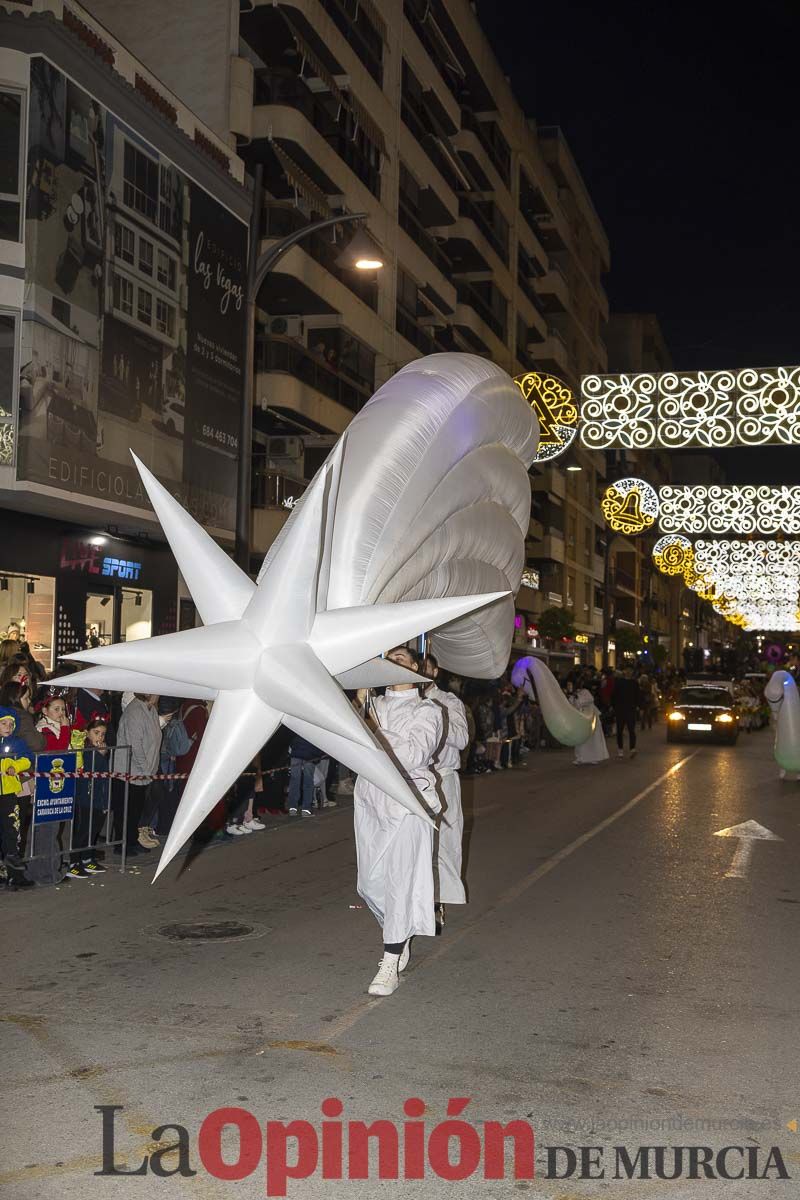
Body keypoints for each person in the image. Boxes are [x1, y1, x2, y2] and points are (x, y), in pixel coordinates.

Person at [354, 645, 443, 998]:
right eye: (388, 658)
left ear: (416, 669)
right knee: (369, 883)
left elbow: (411, 754)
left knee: (400, 882)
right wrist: (358, 710)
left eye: (401, 658)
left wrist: (368, 726)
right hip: (372, 802)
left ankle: (389, 960)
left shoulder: (429, 710)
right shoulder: (369, 706)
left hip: (410, 803)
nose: (393, 662)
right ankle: (399, 930)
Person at [423, 653, 469, 924]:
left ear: (435, 670)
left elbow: (462, 738)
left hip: (443, 778)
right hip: (415, 779)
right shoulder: (407, 701)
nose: (422, 672)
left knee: (444, 843)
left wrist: (432, 719)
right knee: (416, 844)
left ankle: (437, 901)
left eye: (427, 667)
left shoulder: (449, 701)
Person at [116, 693, 161, 854]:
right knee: (127, 810)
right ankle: (123, 845)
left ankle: (132, 840)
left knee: (136, 809)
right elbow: (135, 745)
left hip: (144, 771)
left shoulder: (151, 710)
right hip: (130, 770)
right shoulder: (134, 711)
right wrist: (146, 769)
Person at [67, 716, 109, 878]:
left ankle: (87, 857)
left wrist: (102, 754)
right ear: (87, 733)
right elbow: (89, 769)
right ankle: (74, 862)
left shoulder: (99, 750)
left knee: (94, 829)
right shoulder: (84, 750)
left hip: (98, 796)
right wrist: (100, 754)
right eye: (96, 732)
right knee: (83, 830)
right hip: (85, 796)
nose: (100, 737)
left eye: (103, 734)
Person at [0, 706, 35, 889]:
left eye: (11, 723)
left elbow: (28, 758)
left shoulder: (17, 743)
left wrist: (16, 765)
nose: (8, 726)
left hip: (9, 794)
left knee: (12, 831)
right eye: (3, 723)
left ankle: (15, 875)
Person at [570, 674, 609, 765]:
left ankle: (594, 757)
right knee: (580, 738)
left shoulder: (585, 691)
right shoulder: (574, 694)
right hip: (580, 719)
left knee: (592, 738)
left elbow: (589, 700)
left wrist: (577, 698)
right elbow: (572, 704)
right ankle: (580, 757)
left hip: (590, 717)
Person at [286, 734, 323, 818]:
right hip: (311, 753)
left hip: (296, 751)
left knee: (294, 780)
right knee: (308, 782)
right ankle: (306, 809)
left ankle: (292, 808)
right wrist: (318, 755)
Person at [612, 668, 639, 759]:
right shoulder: (619, 683)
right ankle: (620, 750)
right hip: (621, 710)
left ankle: (632, 749)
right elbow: (614, 695)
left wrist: (638, 706)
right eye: (627, 671)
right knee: (620, 730)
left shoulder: (634, 683)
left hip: (630, 710)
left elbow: (638, 695)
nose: (628, 672)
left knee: (631, 730)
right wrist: (614, 707)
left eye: (630, 671)